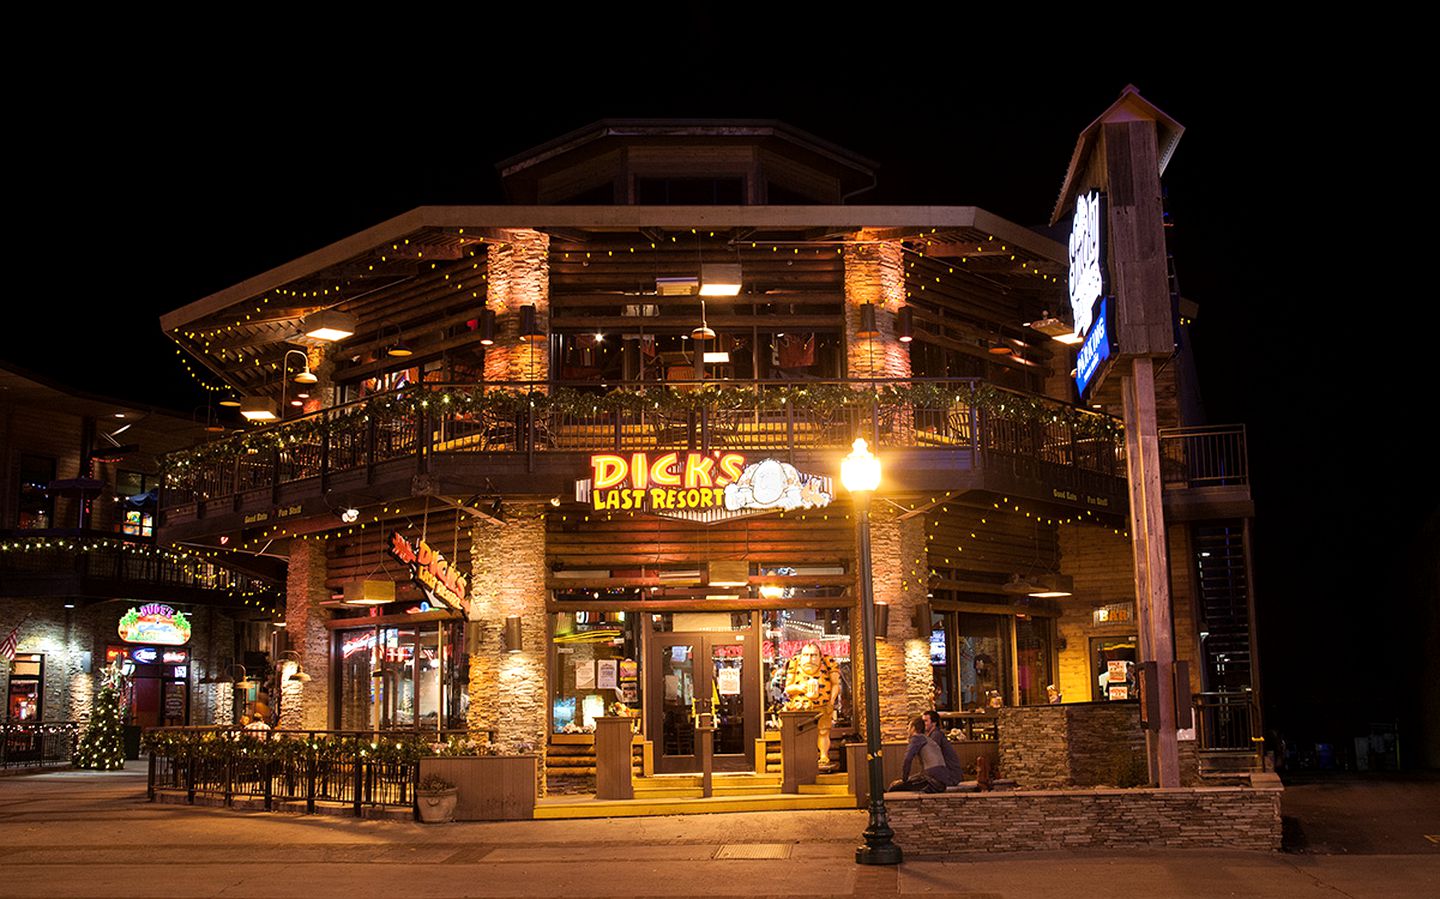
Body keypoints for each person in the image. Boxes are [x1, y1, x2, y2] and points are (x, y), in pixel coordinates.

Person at [783, 642, 840, 771]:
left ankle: (824, 757)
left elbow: (835, 684)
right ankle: (802, 759)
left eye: (813, 655)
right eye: (806, 655)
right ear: (801, 656)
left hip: (823, 704)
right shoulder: (794, 663)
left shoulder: (828, 662)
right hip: (800, 706)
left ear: (820, 656)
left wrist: (831, 702)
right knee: (801, 732)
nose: (809, 659)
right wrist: (799, 687)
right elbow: (788, 688)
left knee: (824, 731)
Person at [889, 717, 949, 792]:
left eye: (908, 727)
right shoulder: (926, 739)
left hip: (932, 781)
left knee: (894, 788)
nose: (907, 730)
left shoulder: (917, 738)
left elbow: (907, 759)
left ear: (913, 728)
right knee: (904, 783)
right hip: (940, 779)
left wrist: (904, 779)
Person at [922, 709, 967, 785]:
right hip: (947, 774)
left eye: (926, 721)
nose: (923, 724)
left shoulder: (936, 735)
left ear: (934, 723)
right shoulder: (934, 734)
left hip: (950, 776)